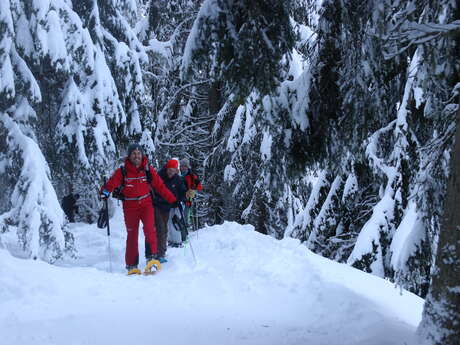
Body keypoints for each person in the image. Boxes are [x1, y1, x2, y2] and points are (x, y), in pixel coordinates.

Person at [100, 144, 177, 275]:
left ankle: (151, 259)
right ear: (129, 156)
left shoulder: (147, 170)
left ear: (142, 155)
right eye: (134, 153)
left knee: (149, 229)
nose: (137, 156)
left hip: (146, 204)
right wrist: (105, 191)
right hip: (130, 207)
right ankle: (132, 265)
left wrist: (173, 200)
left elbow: (160, 186)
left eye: (139, 153)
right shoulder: (123, 171)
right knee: (132, 235)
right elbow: (111, 183)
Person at [151, 159, 187, 261]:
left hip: (168, 207)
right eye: (170, 170)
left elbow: (182, 191)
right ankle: (158, 253)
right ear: (167, 168)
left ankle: (162, 252)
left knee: (165, 229)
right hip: (157, 205)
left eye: (174, 170)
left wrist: (182, 199)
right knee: (160, 228)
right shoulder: (159, 176)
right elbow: (154, 190)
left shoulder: (177, 179)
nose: (171, 172)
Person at [179, 158, 203, 230]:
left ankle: (186, 231)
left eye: (185, 166)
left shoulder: (192, 176)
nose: (183, 167)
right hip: (178, 199)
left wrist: (193, 190)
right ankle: (180, 230)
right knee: (179, 215)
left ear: (188, 166)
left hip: (187, 199)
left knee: (186, 215)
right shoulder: (177, 174)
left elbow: (199, 186)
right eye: (182, 166)